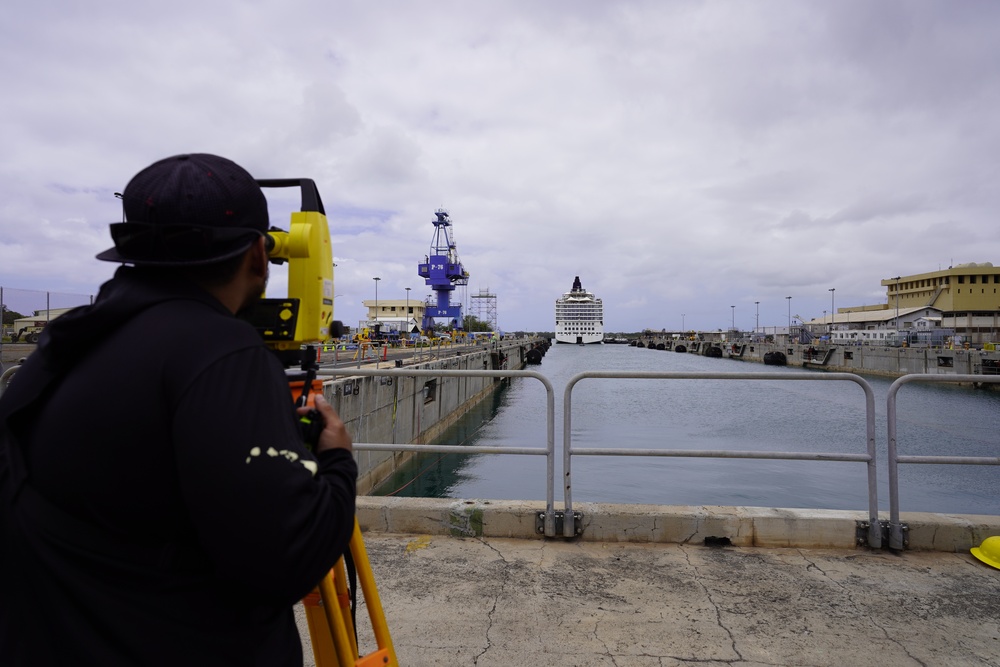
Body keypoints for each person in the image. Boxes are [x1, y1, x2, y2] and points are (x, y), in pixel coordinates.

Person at [0, 154, 357, 665]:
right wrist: (338, 462)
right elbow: (290, 558)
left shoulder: (64, 343)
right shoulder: (223, 353)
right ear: (260, 255)